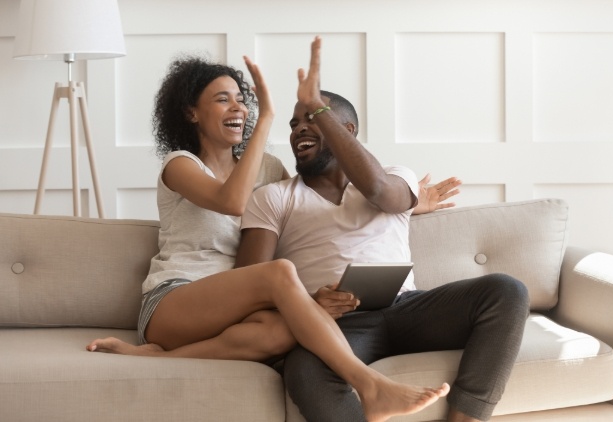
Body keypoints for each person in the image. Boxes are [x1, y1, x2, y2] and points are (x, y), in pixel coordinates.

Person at [86, 48, 451, 422]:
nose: (238, 108)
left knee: (286, 333)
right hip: (176, 299)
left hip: (240, 311)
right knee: (278, 272)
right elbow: (231, 200)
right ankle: (370, 386)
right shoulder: (180, 164)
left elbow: (308, 205)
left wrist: (406, 203)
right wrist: (267, 120)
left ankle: (160, 358)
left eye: (242, 101)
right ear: (191, 113)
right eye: (222, 99)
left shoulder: (269, 169)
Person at [234, 37, 530, 422]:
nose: (299, 129)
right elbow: (247, 284)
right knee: (305, 367)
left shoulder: (393, 176)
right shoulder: (273, 197)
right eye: (294, 123)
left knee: (506, 290)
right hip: (336, 324)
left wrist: (317, 107)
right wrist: (308, 302)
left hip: (409, 308)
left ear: (348, 130)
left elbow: (380, 193)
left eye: (312, 118)